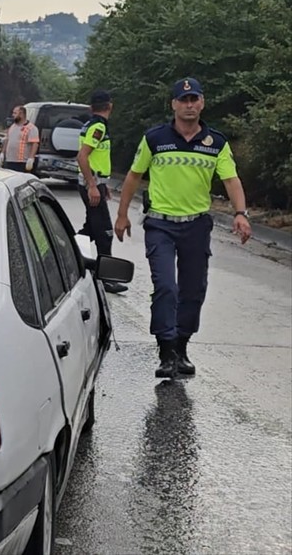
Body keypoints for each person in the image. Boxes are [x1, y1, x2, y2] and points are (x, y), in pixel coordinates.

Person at [114, 77, 252, 379]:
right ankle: (165, 350)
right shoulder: (155, 138)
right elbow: (133, 176)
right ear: (174, 104)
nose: (189, 105)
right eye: (183, 100)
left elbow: (231, 180)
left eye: (195, 99)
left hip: (196, 226)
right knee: (165, 286)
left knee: (193, 289)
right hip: (160, 224)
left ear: (202, 103)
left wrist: (240, 213)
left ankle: (181, 347)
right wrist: (122, 215)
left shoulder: (216, 143)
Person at [77, 90, 128, 294]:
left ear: (91, 108)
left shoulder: (90, 125)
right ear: (110, 106)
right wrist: (92, 185)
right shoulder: (98, 127)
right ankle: (106, 278)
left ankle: (61, 255)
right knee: (105, 232)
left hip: (95, 183)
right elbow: (83, 156)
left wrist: (101, 184)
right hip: (91, 185)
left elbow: (94, 158)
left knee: (90, 229)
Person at [0, 105, 39, 172]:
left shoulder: (31, 128)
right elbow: (7, 140)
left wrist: (31, 158)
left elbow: (35, 144)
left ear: (21, 114)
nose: (13, 115)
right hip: (9, 160)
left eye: (15, 113)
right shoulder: (12, 127)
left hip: (21, 162)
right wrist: (2, 153)